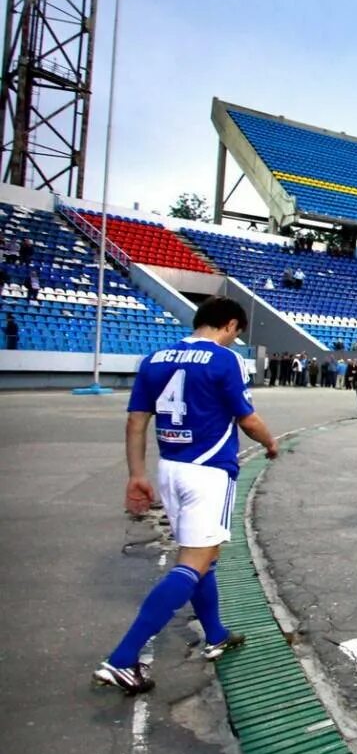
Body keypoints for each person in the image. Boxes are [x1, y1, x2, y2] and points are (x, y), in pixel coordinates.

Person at [93, 297, 279, 695]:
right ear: (230, 325)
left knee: (205, 555)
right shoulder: (224, 360)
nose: (235, 340)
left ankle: (215, 634)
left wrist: (137, 475)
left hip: (170, 469)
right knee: (193, 563)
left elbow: (136, 420)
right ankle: (122, 659)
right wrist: (271, 443)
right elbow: (247, 418)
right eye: (237, 333)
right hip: (208, 472)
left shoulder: (155, 358)